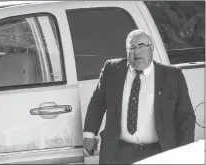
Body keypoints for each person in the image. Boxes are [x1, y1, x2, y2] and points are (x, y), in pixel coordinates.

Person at [83, 29, 196, 164]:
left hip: (157, 152)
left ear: (152, 48)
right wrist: (89, 134)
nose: (136, 51)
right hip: (118, 151)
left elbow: (186, 117)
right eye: (132, 47)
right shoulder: (112, 70)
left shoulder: (172, 76)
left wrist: (184, 152)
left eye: (141, 46)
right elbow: (97, 103)